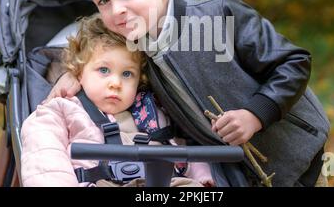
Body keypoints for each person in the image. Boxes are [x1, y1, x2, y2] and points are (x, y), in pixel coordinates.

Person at [47, 0, 330, 187]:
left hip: (297, 154)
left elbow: (293, 62)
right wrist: (72, 74)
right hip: (235, 173)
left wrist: (255, 114)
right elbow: (90, 48)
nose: (116, 9)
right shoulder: (132, 44)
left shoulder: (220, 17)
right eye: (104, 0)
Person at [20, 13, 214, 187]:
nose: (115, 83)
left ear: (140, 80)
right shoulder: (61, 110)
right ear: (79, 72)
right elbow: (44, 158)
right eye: (103, 70)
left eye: (127, 74)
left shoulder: (154, 111)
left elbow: (178, 149)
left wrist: (203, 175)